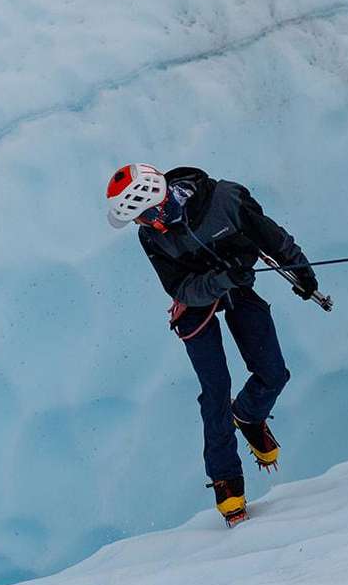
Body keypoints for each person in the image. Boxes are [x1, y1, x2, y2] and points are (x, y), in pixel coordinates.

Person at [105, 163, 320, 526]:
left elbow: (270, 237)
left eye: (139, 217)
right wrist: (223, 278)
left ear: (153, 206)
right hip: (197, 303)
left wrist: (301, 271)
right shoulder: (151, 236)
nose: (139, 224)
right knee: (216, 387)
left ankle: (248, 415)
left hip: (235, 286)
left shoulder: (225, 199)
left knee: (273, 374)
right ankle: (227, 481)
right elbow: (180, 288)